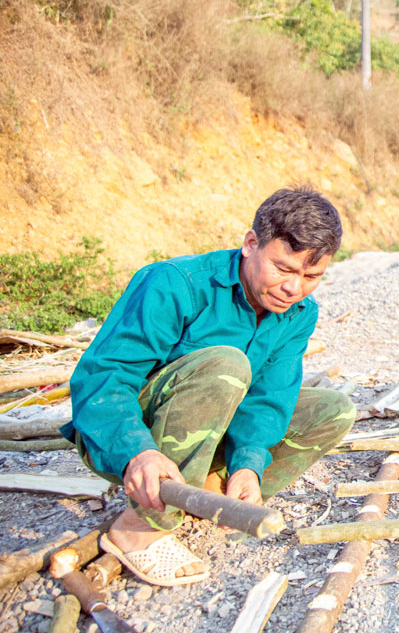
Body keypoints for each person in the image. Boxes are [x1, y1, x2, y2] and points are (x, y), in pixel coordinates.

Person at [62, 186, 356, 586]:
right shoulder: (174, 284)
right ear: (251, 243)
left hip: (211, 431)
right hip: (128, 441)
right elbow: (103, 379)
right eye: (284, 269)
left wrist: (249, 465)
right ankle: (141, 527)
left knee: (334, 410)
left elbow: (270, 396)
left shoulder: (299, 311)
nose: (294, 288)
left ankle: (210, 490)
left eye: (311, 276)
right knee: (227, 364)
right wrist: (137, 451)